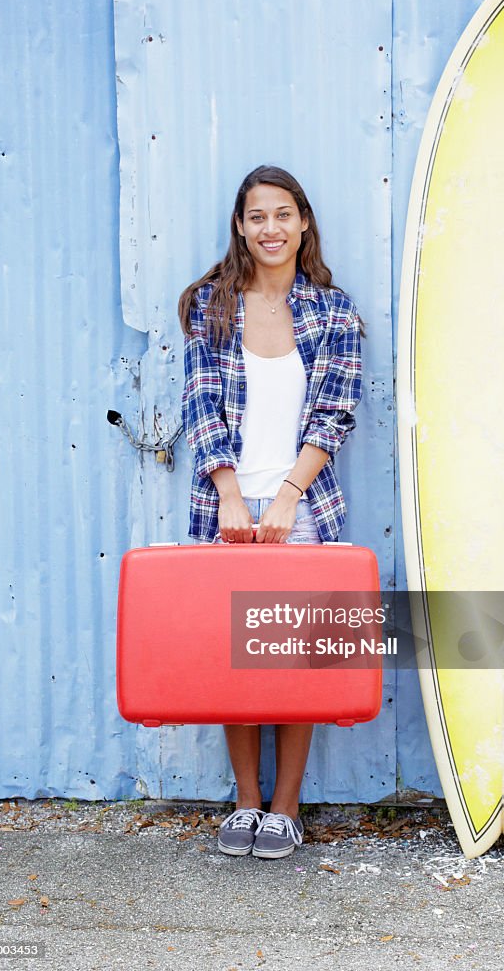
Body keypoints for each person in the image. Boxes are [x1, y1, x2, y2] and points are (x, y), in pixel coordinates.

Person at [178, 165, 362, 859]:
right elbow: (199, 403)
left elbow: (335, 411)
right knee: (235, 662)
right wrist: (231, 495)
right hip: (223, 504)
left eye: (282, 215)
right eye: (256, 217)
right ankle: (245, 801)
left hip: (303, 508)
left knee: (292, 660)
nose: (270, 229)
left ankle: (285, 807)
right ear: (239, 226)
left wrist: (286, 498)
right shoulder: (209, 305)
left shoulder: (331, 312)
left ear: (303, 221)